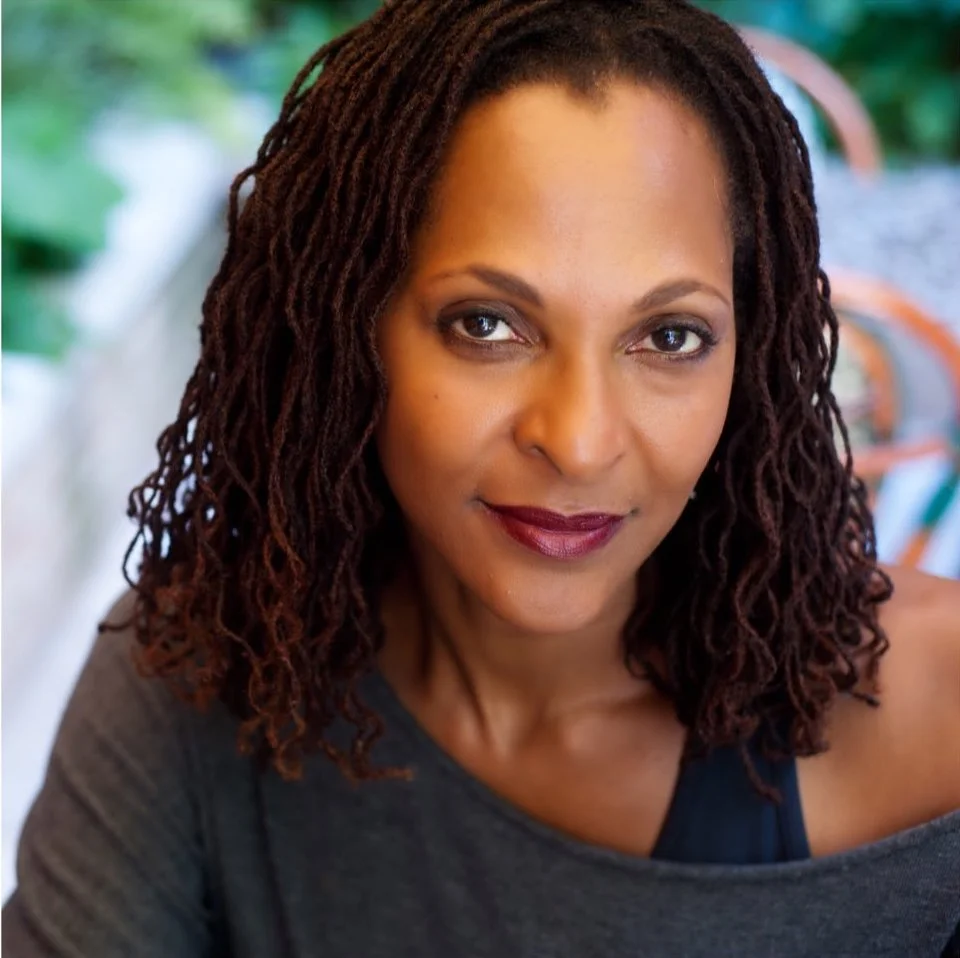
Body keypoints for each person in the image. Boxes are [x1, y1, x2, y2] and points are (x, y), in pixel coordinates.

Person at [4, 1, 959, 955]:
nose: (578, 443)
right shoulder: (198, 668)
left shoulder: (940, 728)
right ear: (346, 330)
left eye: (670, 337)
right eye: (487, 325)